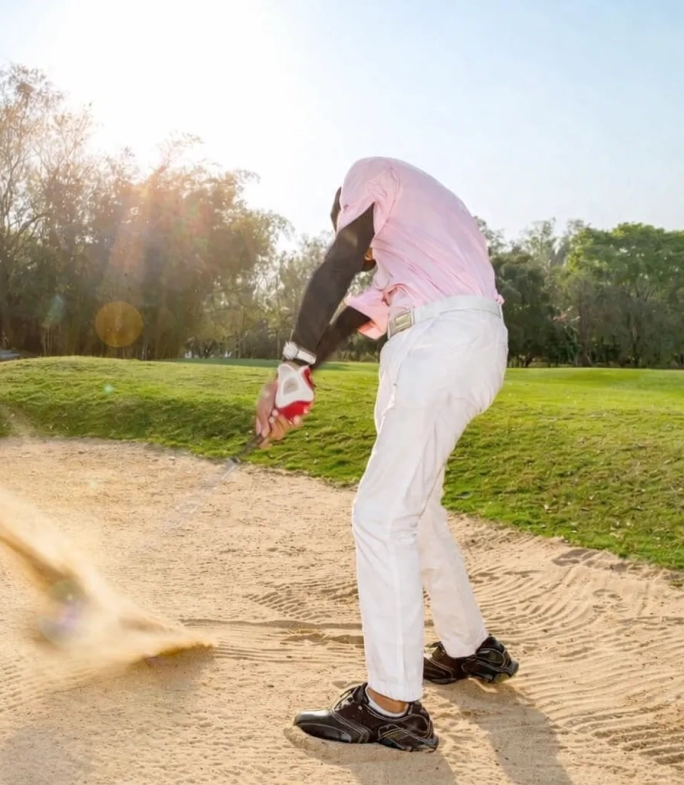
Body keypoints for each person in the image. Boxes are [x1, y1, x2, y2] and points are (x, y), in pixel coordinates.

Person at [253, 156, 520, 753]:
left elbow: (338, 263)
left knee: (379, 516)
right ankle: (468, 645)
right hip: (455, 341)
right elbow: (346, 320)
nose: (368, 258)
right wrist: (294, 379)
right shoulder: (418, 252)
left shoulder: (369, 175)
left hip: (440, 342)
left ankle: (392, 705)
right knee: (416, 510)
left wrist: (291, 363)